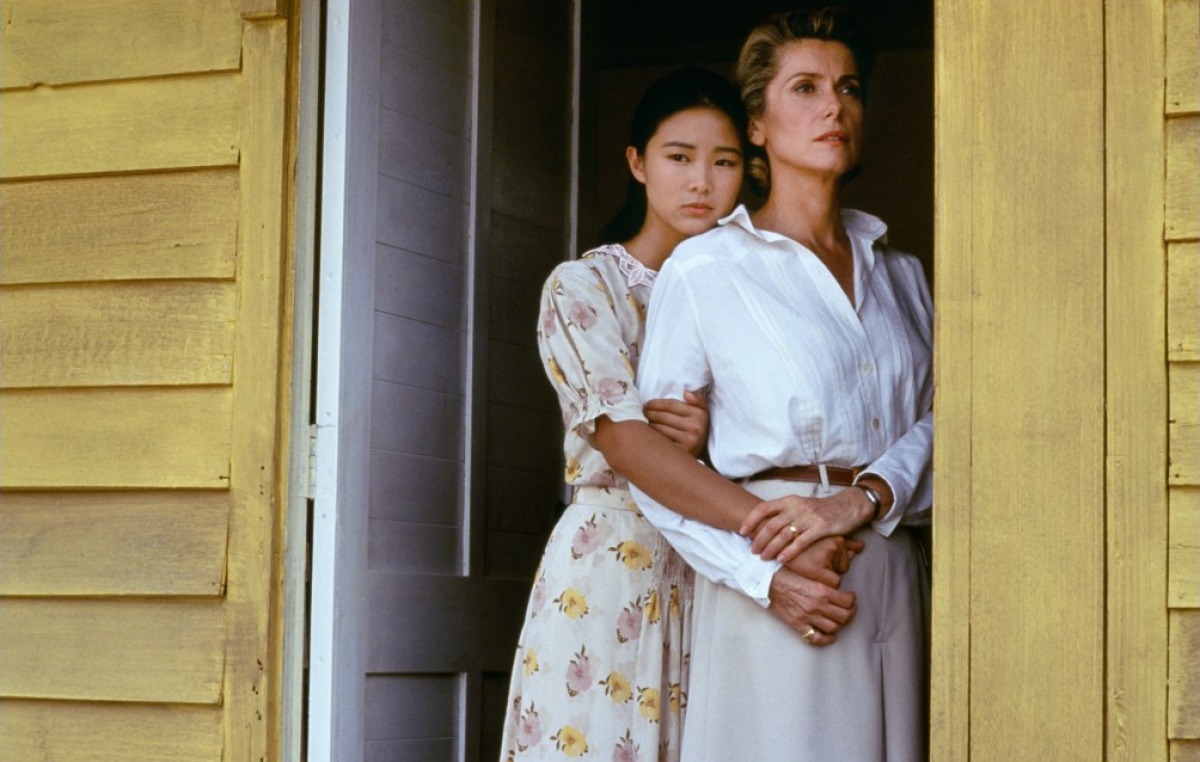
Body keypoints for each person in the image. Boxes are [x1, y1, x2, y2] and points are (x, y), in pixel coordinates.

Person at [500, 65, 863, 762]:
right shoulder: (586, 286)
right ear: (637, 163)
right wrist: (777, 532)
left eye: (723, 162)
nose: (701, 182)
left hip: (718, 568)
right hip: (615, 561)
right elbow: (625, 441)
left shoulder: (754, 285)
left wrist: (709, 439)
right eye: (678, 158)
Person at [628, 8, 934, 761]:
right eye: (806, 88)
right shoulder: (706, 268)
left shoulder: (902, 275)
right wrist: (765, 579)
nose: (835, 107)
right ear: (757, 126)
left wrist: (866, 496)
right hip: (780, 568)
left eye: (849, 88)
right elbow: (655, 474)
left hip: (893, 561)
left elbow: (950, 421)